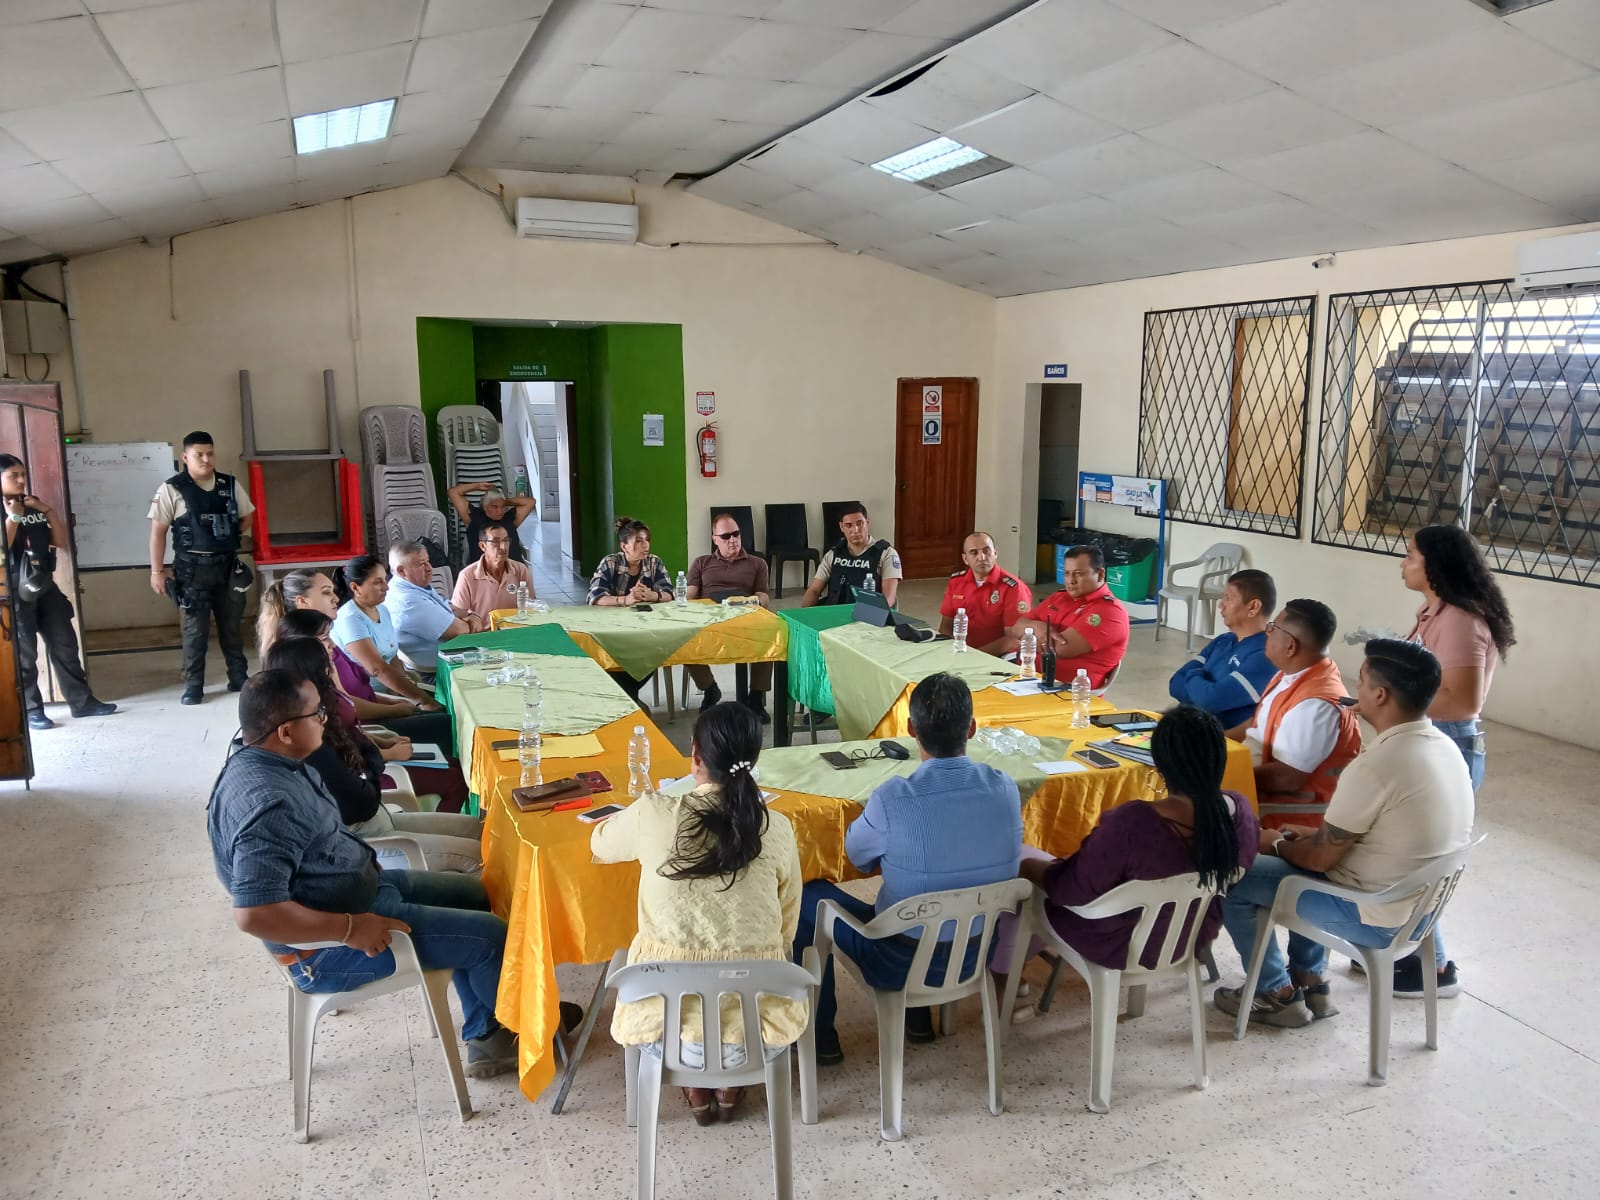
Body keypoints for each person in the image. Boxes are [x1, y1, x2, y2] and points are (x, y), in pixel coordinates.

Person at [208, 671, 526, 1077]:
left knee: (482, 894)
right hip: (328, 945)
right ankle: (513, 1035)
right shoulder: (269, 805)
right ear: (285, 732)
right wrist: (348, 929)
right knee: (490, 936)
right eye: (317, 714)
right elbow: (254, 914)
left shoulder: (275, 759)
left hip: (363, 891)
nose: (325, 719)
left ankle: (488, 1029)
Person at [1214, 640, 1474, 1027]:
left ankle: (1274, 994)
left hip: (1375, 916)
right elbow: (1365, 837)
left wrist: (1277, 843)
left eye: (1363, 682)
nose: (1356, 690)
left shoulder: (1377, 765)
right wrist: (1307, 837)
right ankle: (1310, 980)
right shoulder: (1445, 747)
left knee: (1234, 875)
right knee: (1304, 860)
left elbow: (1320, 859)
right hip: (1420, 911)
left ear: (1380, 695)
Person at [792, 673, 1023, 1064]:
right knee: (920, 904)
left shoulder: (892, 798)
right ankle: (917, 1020)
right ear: (972, 728)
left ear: (911, 729)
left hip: (897, 962)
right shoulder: (1006, 787)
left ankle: (820, 1037)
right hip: (976, 952)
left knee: (808, 895)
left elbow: (857, 856)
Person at [591, 703, 804, 1125]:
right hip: (758, 1035)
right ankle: (728, 1084)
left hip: (663, 1034)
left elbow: (600, 842)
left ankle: (696, 1085)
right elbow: (787, 926)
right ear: (754, 759)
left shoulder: (654, 813)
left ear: (695, 756)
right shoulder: (776, 827)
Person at [990, 705, 1258, 1010]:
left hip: (1116, 943)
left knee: (1019, 866)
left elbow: (1070, 890)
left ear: (1159, 764)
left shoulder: (1134, 824)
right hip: (1189, 937)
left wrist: (1027, 868)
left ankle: (1003, 976)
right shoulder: (1241, 813)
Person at [1391, 525, 1514, 998]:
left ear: (1435, 566)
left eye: (1410, 556)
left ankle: (1434, 967)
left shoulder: (1460, 620)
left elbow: (1463, 701)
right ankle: (1402, 951)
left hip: (1448, 746)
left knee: (1420, 860)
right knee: (1404, 853)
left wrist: (1393, 700)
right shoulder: (1433, 612)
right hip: (1426, 741)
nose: (1403, 563)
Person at [263, 634, 482, 873]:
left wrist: (368, 757)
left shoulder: (317, 723)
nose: (332, 666)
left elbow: (363, 770)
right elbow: (360, 802)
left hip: (378, 819)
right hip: (364, 841)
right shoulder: (312, 745)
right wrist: (371, 761)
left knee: (480, 830)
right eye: (327, 666)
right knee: (479, 856)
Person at [257, 568, 452, 747]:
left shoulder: (326, 639)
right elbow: (344, 705)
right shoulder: (310, 651)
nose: (335, 598)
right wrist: (399, 708)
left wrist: (392, 702)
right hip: (362, 727)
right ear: (302, 602)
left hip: (369, 718)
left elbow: (351, 695)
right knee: (448, 725)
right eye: (326, 593)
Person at [0, 455, 116, 730]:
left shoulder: (32, 504)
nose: (21, 480)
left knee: (65, 644)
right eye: (13, 475)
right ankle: (31, 710)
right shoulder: (8, 510)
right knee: (24, 654)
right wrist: (13, 516)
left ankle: (82, 702)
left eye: (23, 474)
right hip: (14, 591)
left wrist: (47, 510)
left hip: (43, 584)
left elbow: (61, 541)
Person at [1226, 598, 1361, 831]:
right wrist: (1212, 742)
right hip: (1258, 780)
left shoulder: (1315, 706)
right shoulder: (1293, 674)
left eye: (1272, 628)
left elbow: (1286, 778)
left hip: (1288, 814)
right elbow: (1258, 724)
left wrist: (1223, 776)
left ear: (1290, 645)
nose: (1267, 633)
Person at [148, 431, 254, 704]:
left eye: (210, 453)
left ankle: (239, 677)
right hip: (191, 571)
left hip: (226, 567)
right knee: (195, 631)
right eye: (199, 455)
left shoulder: (229, 484)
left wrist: (229, 536)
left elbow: (247, 516)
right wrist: (157, 571)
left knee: (232, 626)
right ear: (185, 457)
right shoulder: (172, 489)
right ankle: (194, 685)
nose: (206, 459)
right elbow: (158, 532)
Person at [685, 511, 773, 722]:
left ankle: (756, 697)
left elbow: (763, 596)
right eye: (726, 536)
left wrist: (753, 601)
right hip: (709, 619)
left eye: (736, 534)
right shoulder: (701, 562)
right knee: (683, 637)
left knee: (769, 632)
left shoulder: (757, 563)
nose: (732, 540)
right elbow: (688, 595)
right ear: (715, 539)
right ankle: (710, 688)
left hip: (744, 617)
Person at [1003, 544, 1129, 687]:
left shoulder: (1110, 612)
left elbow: (1059, 649)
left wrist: (1027, 636)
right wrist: (1036, 626)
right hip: (1025, 681)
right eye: (1067, 573)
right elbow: (1016, 628)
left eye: (1079, 574)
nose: (1071, 581)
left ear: (1100, 574)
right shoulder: (1060, 597)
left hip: (1066, 692)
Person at [1168, 569, 1278, 730]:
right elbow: (1175, 684)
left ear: (1253, 607)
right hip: (1190, 728)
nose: (1221, 604)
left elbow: (1210, 700)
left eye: (1228, 598)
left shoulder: (1265, 656)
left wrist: (1194, 674)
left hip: (1221, 738)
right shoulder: (1223, 640)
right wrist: (1204, 692)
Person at [329, 555, 439, 711]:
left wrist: (405, 688)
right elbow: (377, 669)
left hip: (391, 691)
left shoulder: (382, 609)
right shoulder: (350, 619)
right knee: (440, 715)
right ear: (355, 588)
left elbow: (392, 655)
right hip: (369, 698)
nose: (386, 587)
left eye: (385, 580)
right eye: (377, 582)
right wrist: (423, 700)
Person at [586, 516, 673, 701]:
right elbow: (595, 597)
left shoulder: (654, 562)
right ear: (624, 546)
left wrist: (652, 596)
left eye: (647, 540)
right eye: (639, 541)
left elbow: (670, 593)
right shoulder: (610, 562)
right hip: (615, 630)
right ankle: (630, 698)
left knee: (655, 650)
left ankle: (628, 697)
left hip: (646, 630)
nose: (645, 545)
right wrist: (625, 599)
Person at [383, 541, 479, 672]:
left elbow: (451, 608)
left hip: (451, 657)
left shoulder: (413, 585)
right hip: (436, 671)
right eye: (421, 564)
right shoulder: (407, 600)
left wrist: (470, 615)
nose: (429, 568)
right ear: (401, 571)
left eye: (428, 561)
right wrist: (474, 617)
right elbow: (458, 631)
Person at [937, 531, 1034, 655]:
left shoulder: (1014, 588)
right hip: (961, 652)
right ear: (965, 559)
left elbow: (1012, 640)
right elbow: (946, 626)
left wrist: (975, 656)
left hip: (998, 656)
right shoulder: (956, 582)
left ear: (995, 553)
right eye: (974, 552)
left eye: (986, 551)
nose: (982, 557)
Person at [801, 502, 901, 608]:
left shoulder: (886, 554)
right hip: (836, 612)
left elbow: (888, 599)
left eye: (860, 523)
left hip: (868, 613)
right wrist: (803, 613)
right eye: (849, 525)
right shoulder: (833, 555)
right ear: (841, 527)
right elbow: (814, 590)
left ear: (867, 522)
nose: (855, 530)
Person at [452, 522, 534, 629]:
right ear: (483, 546)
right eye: (495, 542)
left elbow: (532, 605)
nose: (503, 547)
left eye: (506, 540)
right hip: (483, 634)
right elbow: (459, 614)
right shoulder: (467, 576)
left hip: (514, 631)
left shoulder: (520, 570)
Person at [447, 482, 535, 566]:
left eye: (502, 507)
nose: (500, 511)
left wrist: (502, 500)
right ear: (485, 506)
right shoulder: (473, 518)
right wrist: (477, 486)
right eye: (494, 507)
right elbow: (453, 492)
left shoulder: (509, 518)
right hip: (483, 571)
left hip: (513, 570)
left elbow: (530, 502)